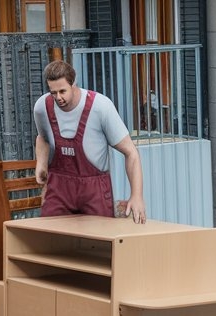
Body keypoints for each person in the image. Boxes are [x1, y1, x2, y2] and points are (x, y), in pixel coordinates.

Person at [34, 59, 146, 224]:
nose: (58, 98)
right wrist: (41, 164)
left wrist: (136, 196)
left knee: (98, 244)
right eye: (53, 92)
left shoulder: (101, 107)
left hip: (94, 192)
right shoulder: (42, 107)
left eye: (63, 91)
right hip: (59, 190)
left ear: (74, 84)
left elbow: (131, 153)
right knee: (49, 239)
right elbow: (42, 137)